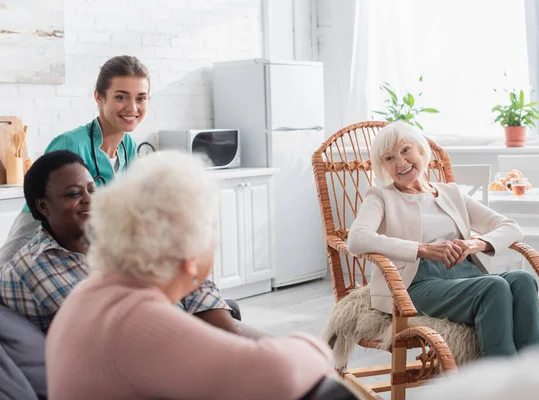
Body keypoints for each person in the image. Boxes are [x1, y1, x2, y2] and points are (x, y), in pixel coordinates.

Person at [45, 150, 333, 399]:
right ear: (191, 251)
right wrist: (318, 347)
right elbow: (278, 376)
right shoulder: (132, 317)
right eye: (212, 229)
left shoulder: (98, 290)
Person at [347, 121, 539, 358]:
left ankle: (535, 369)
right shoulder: (380, 196)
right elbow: (356, 239)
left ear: (421, 150)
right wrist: (422, 249)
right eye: (389, 158)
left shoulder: (451, 193)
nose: (400, 162)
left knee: (523, 280)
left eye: (405, 150)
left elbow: (510, 227)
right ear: (383, 168)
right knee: (494, 286)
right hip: (411, 284)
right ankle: (499, 378)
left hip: (464, 276)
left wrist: (474, 244)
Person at [0, 150, 239, 335]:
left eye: (91, 190)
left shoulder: (115, 234)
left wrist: (229, 333)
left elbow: (191, 277)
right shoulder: (34, 268)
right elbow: (124, 328)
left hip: (185, 331)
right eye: (74, 194)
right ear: (43, 206)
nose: (88, 200)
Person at [0, 55, 147, 265]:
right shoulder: (70, 144)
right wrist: (4, 271)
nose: (132, 108)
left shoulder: (129, 147)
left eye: (140, 98)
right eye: (121, 97)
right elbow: (33, 218)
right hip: (53, 261)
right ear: (99, 97)